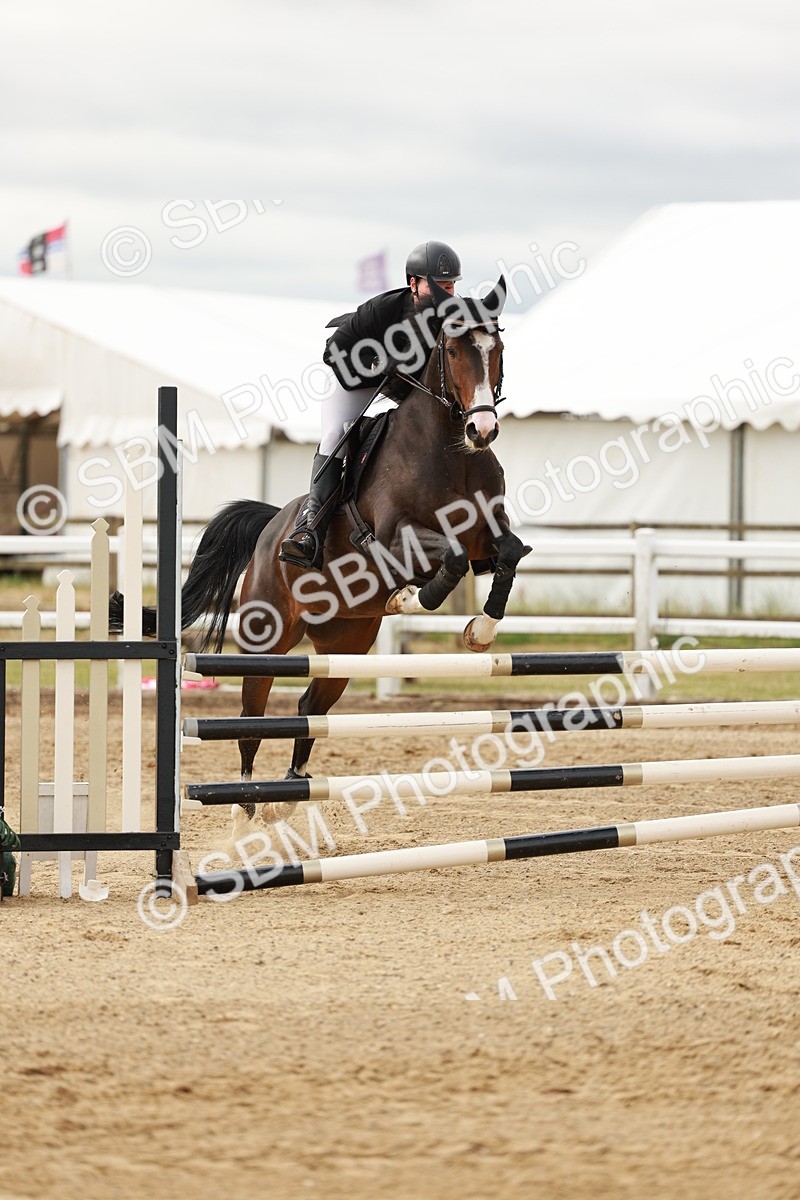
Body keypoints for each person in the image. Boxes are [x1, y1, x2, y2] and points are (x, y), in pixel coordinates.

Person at [278, 240, 461, 569]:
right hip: (357, 381)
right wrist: (377, 364)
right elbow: (332, 351)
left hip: (408, 388)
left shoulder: (454, 314)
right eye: (436, 287)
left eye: (449, 286)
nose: (444, 295)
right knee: (335, 434)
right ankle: (310, 531)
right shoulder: (383, 310)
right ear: (413, 284)